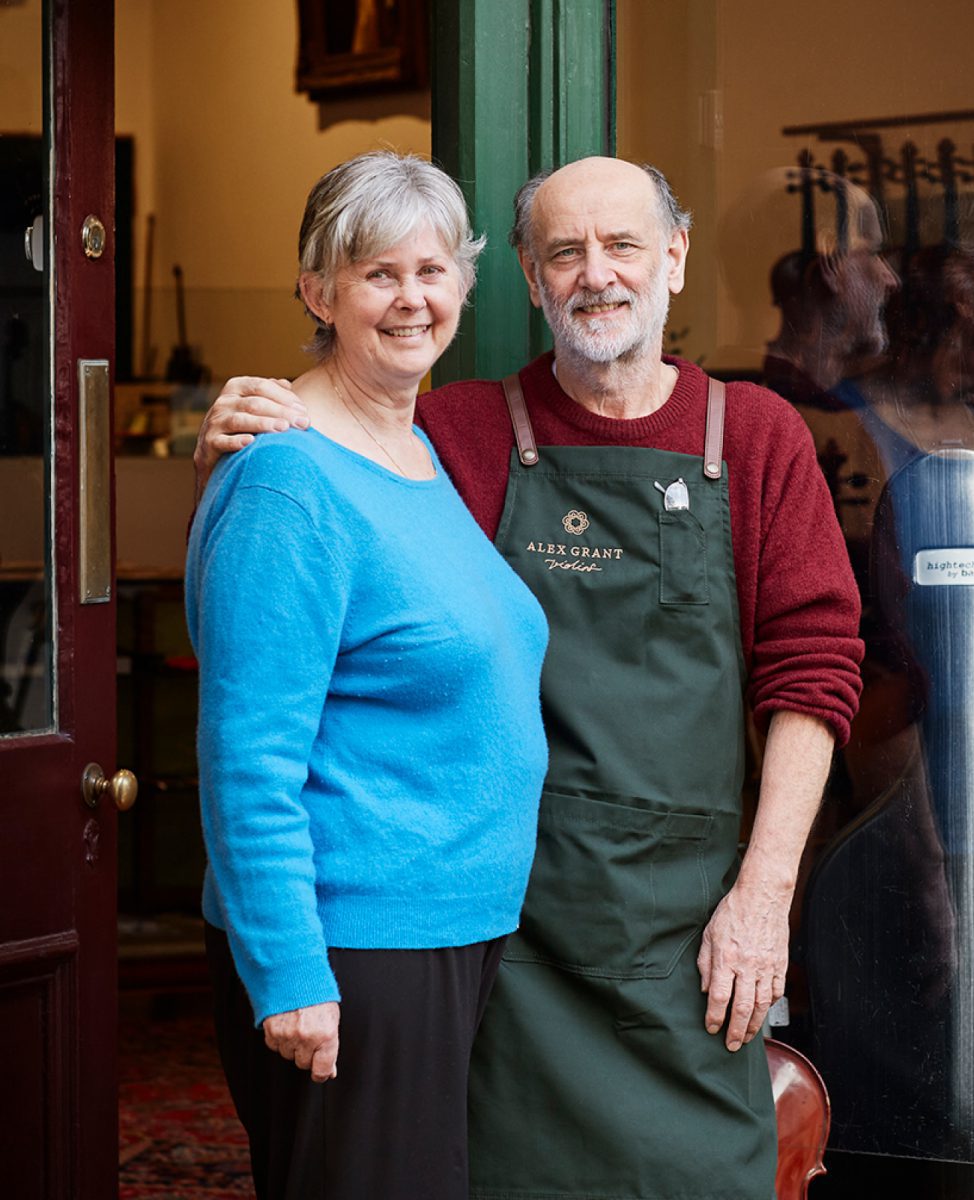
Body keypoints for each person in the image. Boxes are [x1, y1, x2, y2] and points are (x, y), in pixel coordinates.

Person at [194, 156, 863, 1199]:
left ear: (674, 259)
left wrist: (764, 897)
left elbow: (812, 672)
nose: (596, 276)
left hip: (687, 930)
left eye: (623, 245)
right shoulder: (447, 430)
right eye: (564, 251)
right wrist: (238, 432)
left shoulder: (759, 437)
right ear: (524, 273)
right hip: (500, 940)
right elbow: (315, 493)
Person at [184, 151, 549, 1200]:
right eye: (377, 273)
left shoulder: (418, 452)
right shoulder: (289, 477)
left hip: (442, 931)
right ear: (317, 291)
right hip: (352, 943)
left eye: (432, 271)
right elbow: (246, 757)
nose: (410, 299)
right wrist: (291, 972)